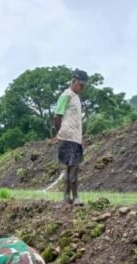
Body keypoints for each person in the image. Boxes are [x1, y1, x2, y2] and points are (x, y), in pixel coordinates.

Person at [52, 69, 88, 206]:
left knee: (69, 168)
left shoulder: (75, 97)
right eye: (81, 85)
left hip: (74, 137)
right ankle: (76, 197)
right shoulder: (66, 95)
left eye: (84, 85)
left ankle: (67, 197)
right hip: (68, 137)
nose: (83, 88)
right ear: (73, 81)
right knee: (73, 168)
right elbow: (57, 116)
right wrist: (60, 133)